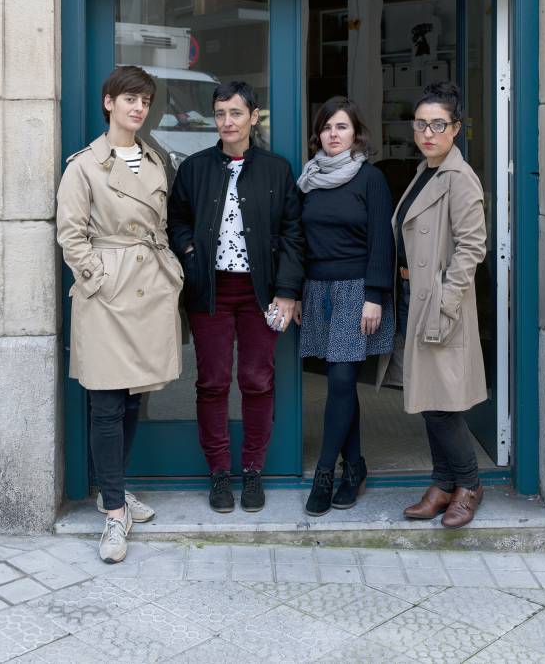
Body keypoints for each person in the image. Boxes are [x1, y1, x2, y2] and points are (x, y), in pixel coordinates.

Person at [57, 65, 183, 563]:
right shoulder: (84, 165)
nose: (138, 108)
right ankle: (113, 513)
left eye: (145, 101)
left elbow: (164, 223)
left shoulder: (155, 159)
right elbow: (70, 234)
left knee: (132, 400)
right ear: (109, 102)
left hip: (149, 285)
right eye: (129, 98)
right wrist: (98, 278)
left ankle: (116, 488)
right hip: (108, 293)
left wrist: (169, 269)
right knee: (106, 402)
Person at [167, 80, 303, 513]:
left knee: (257, 381)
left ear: (253, 117)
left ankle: (252, 471)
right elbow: (177, 220)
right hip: (210, 292)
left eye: (236, 113)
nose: (227, 122)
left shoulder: (276, 170)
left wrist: (287, 291)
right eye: (221, 114)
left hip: (261, 292)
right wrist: (189, 251)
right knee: (211, 383)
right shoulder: (195, 168)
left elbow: (293, 234)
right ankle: (219, 473)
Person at [378, 81, 487, 529]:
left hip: (442, 302)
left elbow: (472, 247)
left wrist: (445, 300)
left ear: (455, 128)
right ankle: (443, 484)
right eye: (421, 124)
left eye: (438, 124)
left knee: (443, 405)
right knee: (427, 396)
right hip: (413, 296)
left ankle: (469, 484)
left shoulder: (459, 178)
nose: (428, 132)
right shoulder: (427, 170)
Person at [297, 96, 395, 516]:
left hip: (357, 290)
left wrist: (374, 296)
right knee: (341, 383)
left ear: (356, 134)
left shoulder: (370, 178)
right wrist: (295, 289)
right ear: (317, 134)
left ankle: (325, 472)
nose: (333, 135)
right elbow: (298, 240)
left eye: (341, 127)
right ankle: (354, 467)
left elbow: (382, 240)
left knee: (339, 381)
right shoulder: (308, 179)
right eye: (326, 127)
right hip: (317, 290)